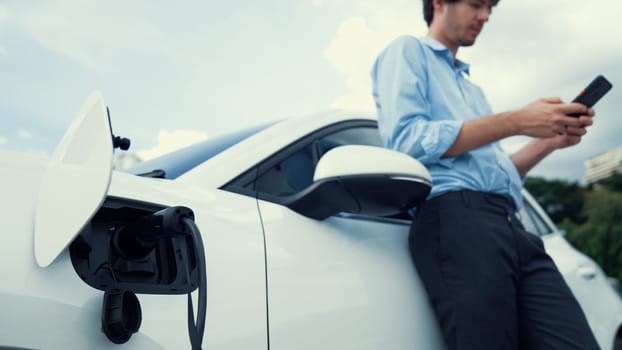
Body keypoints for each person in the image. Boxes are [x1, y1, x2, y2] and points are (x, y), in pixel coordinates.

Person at [371, 0, 600, 349]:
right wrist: (515, 121)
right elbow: (406, 141)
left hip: (513, 228)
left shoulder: (471, 89)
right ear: (439, 3)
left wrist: (550, 142)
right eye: (476, 4)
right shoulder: (407, 51)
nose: (485, 16)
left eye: (490, 8)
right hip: (458, 224)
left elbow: (496, 173)